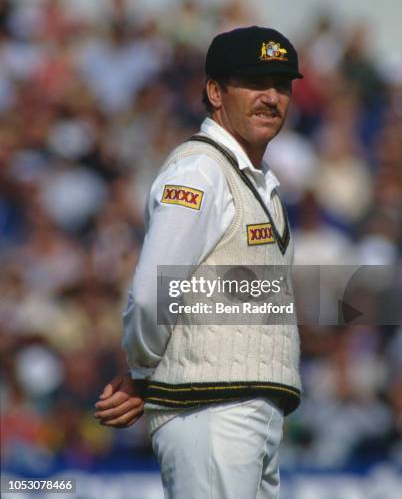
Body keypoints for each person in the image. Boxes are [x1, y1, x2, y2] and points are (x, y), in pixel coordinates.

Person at [95, 26, 303, 498]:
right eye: (254, 83)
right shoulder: (199, 170)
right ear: (215, 91)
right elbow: (153, 293)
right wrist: (145, 374)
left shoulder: (258, 179)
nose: (272, 97)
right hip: (210, 411)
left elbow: (244, 298)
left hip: (249, 409)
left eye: (283, 85)